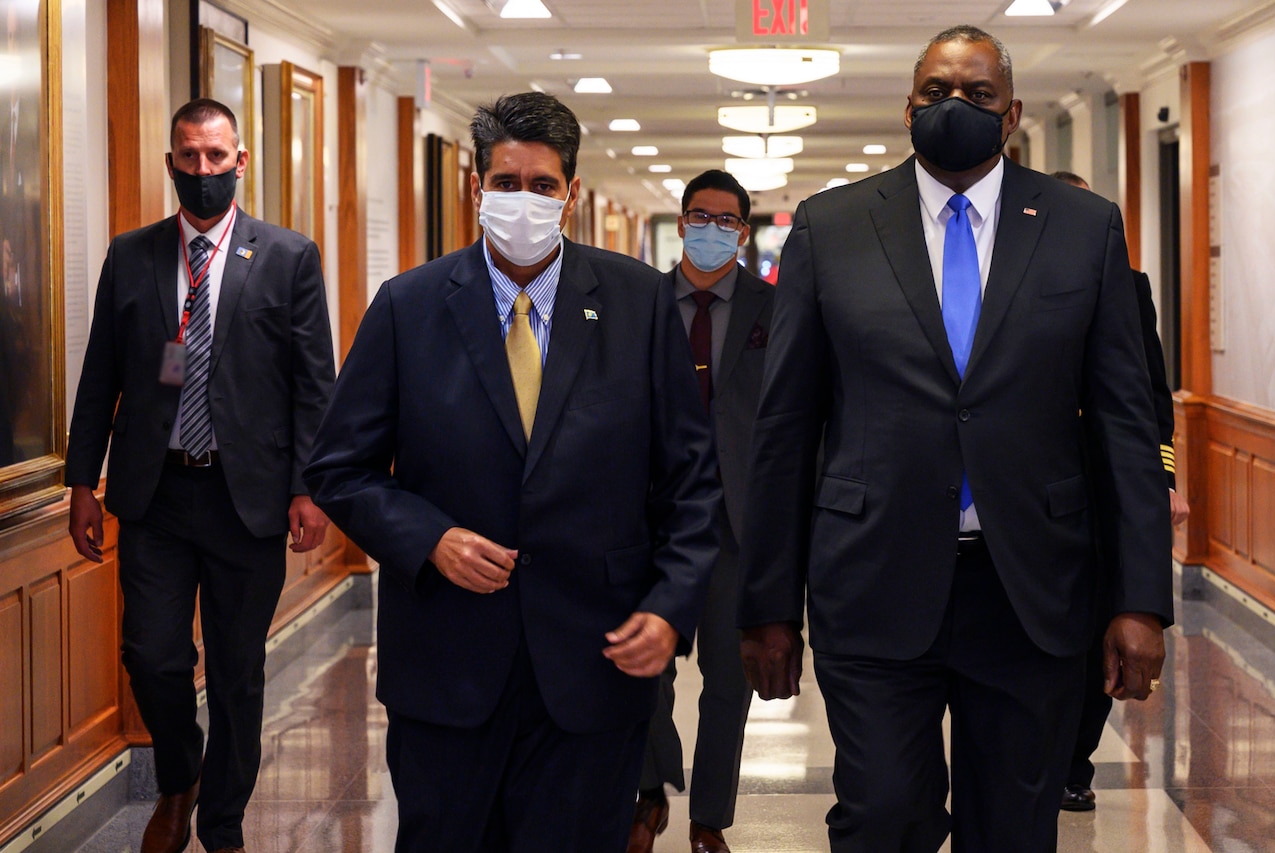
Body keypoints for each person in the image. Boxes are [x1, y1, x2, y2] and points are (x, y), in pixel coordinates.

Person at [736, 25, 1175, 852]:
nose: (955, 108)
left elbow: (1125, 422)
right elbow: (785, 428)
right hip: (872, 578)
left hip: (1029, 589)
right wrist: (767, 606)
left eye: (976, 95)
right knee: (881, 815)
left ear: (1010, 113)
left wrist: (1140, 598)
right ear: (908, 107)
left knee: (1012, 827)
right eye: (937, 92)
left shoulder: (1084, 228)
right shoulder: (832, 229)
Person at [303, 91, 721, 853]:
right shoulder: (409, 307)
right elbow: (339, 466)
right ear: (475, 188)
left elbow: (692, 481)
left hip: (596, 663)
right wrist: (429, 537)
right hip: (447, 665)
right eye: (505, 182)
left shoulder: (637, 304)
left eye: (542, 185)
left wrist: (670, 608)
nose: (522, 200)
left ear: (572, 194)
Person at [65, 98, 335, 853]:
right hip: (156, 491)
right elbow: (100, 377)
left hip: (246, 498)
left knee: (239, 669)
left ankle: (220, 822)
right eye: (190, 157)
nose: (204, 171)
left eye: (218, 157)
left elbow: (316, 384)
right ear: (171, 163)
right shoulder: (133, 255)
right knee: (152, 654)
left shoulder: (287, 256)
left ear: (241, 162)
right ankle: (180, 773)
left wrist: (311, 487)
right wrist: (82, 479)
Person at [630, 170, 773, 853]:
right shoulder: (641, 303)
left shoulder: (776, 310)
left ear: (743, 233)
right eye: (699, 216)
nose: (711, 229)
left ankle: (709, 816)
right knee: (641, 667)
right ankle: (650, 789)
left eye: (727, 221)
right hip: (650, 521)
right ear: (681, 221)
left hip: (736, 527)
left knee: (728, 681)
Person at [1050, 170, 1191, 812]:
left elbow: (1150, 402)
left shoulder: (1129, 290)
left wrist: (1162, 480)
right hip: (1039, 487)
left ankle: (1073, 761)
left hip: (1109, 490)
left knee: (1098, 633)